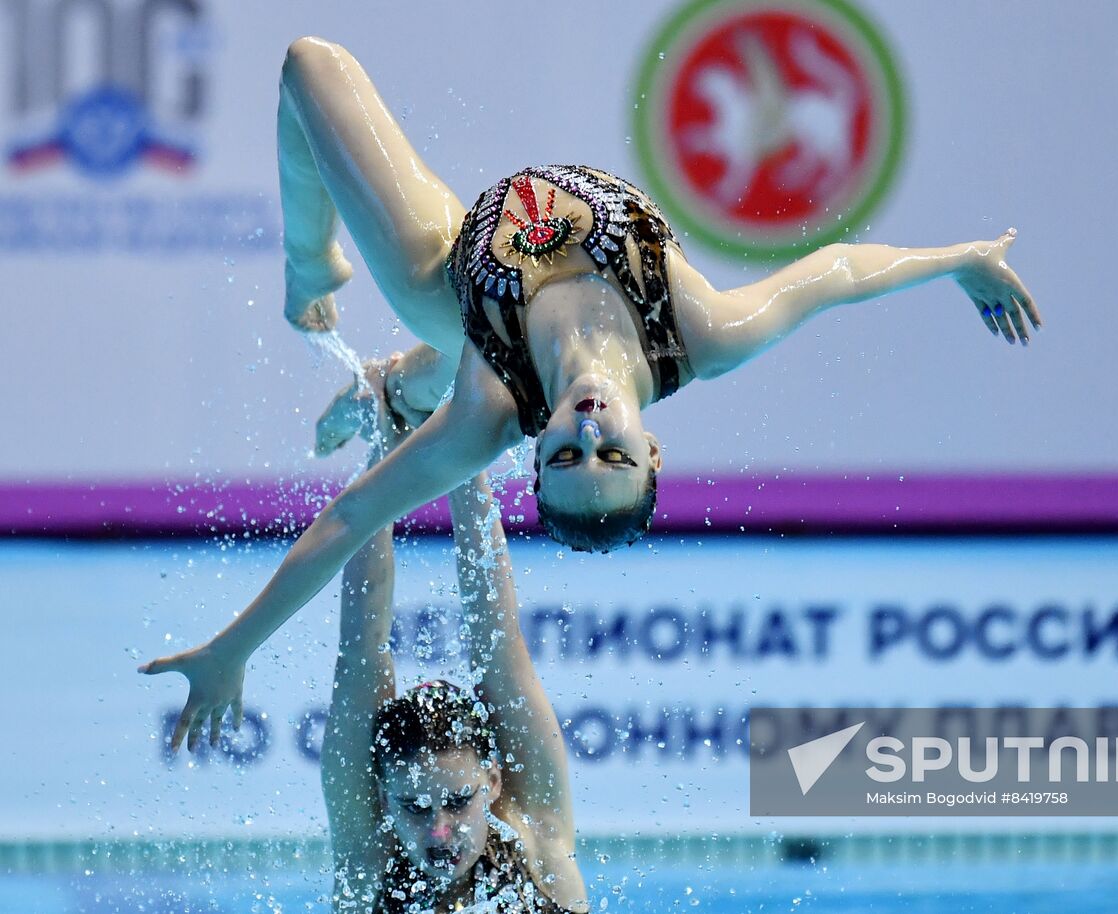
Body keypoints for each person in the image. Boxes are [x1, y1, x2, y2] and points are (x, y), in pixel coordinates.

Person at [139, 35, 1041, 749]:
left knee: (309, 67)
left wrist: (233, 650)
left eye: (565, 456)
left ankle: (314, 275)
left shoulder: (489, 415)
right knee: (436, 357)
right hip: (495, 322)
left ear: (535, 453)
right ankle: (388, 374)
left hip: (451, 274)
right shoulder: (705, 334)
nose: (589, 431)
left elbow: (346, 524)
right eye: (612, 454)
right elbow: (839, 270)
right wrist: (958, 263)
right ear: (653, 452)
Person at [171, 360, 587, 913]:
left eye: (459, 802)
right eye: (413, 808)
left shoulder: (538, 849)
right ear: (383, 800)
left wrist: (460, 441)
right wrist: (390, 438)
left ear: (492, 781)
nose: (440, 833)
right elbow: (362, 647)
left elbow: (497, 635)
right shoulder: (369, 867)